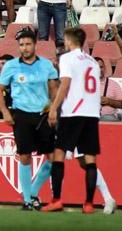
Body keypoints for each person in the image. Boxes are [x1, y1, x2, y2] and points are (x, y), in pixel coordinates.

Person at [0, 27, 58, 210]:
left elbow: (53, 88)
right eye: (21, 45)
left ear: (35, 45)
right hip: (21, 114)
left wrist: (53, 109)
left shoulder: (46, 65)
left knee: (53, 157)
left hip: (43, 115)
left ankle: (32, 192)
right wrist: (5, 112)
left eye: (28, 44)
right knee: (24, 156)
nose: (25, 48)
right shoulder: (11, 66)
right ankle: (27, 201)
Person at [43, 28, 101, 213]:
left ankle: (57, 199)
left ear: (69, 41)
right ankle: (89, 203)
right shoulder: (93, 61)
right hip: (91, 112)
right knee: (90, 159)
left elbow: (66, 84)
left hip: (73, 112)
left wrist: (54, 107)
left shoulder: (67, 58)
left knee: (58, 154)